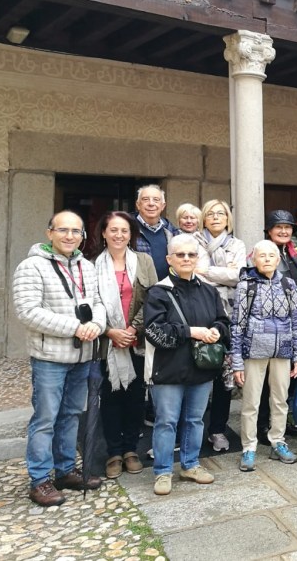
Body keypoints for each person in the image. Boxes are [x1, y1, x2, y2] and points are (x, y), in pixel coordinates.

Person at [13, 210, 107, 506]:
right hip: (50, 357)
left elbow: (98, 302)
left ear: (83, 236)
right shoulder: (32, 266)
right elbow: (28, 311)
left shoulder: (86, 266)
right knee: (45, 418)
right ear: (49, 233)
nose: (70, 236)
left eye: (76, 231)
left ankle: (65, 470)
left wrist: (97, 324)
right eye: (63, 230)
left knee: (71, 415)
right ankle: (39, 479)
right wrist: (75, 327)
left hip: (82, 355)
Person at [144, 234, 231, 496]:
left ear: (197, 258)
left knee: (195, 420)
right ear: (169, 259)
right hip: (168, 368)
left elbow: (223, 321)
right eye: (180, 255)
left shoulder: (209, 290)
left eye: (191, 254)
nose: (186, 259)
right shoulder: (158, 292)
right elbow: (154, 331)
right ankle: (162, 471)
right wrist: (191, 332)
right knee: (166, 422)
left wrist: (216, 331)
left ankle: (190, 465)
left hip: (201, 368)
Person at [230, 240, 297, 472]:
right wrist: (236, 361)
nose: (267, 259)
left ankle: (278, 440)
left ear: (278, 259)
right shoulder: (246, 286)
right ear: (254, 259)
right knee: (251, 402)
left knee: (280, 399)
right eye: (262, 256)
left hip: (283, 349)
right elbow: (237, 324)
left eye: (271, 255)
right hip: (254, 350)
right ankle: (249, 446)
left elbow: (296, 320)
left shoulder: (288, 284)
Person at [93, 211, 158, 480]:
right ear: (104, 233)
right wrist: (110, 332)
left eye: (124, 230)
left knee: (135, 396)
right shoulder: (92, 265)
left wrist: (132, 330)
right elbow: (90, 303)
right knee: (110, 397)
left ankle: (131, 449)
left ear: (131, 235)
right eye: (113, 230)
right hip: (106, 343)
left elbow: (153, 297)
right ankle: (113, 452)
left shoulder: (144, 261)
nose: (119, 235)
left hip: (136, 341)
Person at [194, 200, 247, 453]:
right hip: (198, 311)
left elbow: (238, 276)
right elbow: (192, 273)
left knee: (224, 377)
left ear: (228, 219)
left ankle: (217, 429)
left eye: (220, 214)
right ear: (204, 219)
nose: (215, 217)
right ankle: (190, 431)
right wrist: (223, 271)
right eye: (210, 214)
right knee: (196, 372)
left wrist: (207, 271)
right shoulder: (192, 242)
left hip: (229, 314)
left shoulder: (237, 244)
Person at [134, 185, 180, 280]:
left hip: (167, 287)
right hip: (137, 287)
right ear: (138, 205)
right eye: (146, 199)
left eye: (156, 200)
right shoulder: (127, 229)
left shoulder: (172, 232)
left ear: (163, 206)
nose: (151, 203)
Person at [264, 210, 297, 294]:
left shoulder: (294, 253)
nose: (283, 231)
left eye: (287, 227)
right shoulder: (262, 254)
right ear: (269, 231)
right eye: (278, 227)